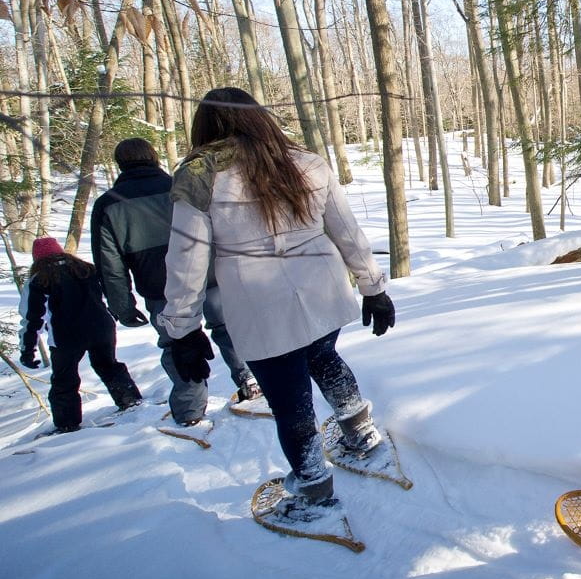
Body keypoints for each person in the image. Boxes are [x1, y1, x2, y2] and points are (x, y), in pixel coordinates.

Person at [157, 88, 395, 511]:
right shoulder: (304, 161)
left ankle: (313, 488)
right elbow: (347, 230)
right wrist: (372, 288)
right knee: (324, 357)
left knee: (289, 400)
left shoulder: (199, 174)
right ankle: (361, 434)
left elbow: (187, 258)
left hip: (260, 306)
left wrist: (182, 327)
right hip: (322, 293)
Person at [91, 138, 260, 425]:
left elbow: (110, 265)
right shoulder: (182, 186)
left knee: (178, 345)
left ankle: (190, 411)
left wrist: (122, 305)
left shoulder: (108, 205)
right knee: (229, 329)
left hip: (161, 289)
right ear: (154, 158)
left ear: (120, 164)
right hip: (210, 276)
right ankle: (251, 380)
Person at [19, 237, 143, 433]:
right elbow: (108, 291)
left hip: (67, 335)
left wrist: (28, 349)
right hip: (102, 327)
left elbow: (32, 317)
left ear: (37, 259)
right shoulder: (86, 269)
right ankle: (130, 401)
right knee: (108, 365)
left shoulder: (39, 280)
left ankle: (67, 424)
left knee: (64, 378)